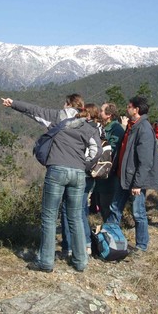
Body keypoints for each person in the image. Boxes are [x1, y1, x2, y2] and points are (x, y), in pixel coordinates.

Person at [2, 95, 102, 272]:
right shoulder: (87, 126)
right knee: (76, 217)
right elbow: (97, 150)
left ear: (67, 104)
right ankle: (80, 261)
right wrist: (83, 164)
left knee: (49, 217)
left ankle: (46, 262)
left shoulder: (56, 117)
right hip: (78, 174)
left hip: (57, 170)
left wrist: (13, 103)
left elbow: (33, 110)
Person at [106, 96, 158, 252]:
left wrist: (138, 183)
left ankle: (141, 246)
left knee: (138, 213)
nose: (126, 108)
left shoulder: (144, 129)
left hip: (134, 180)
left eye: (129, 106)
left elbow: (145, 161)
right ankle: (109, 241)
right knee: (115, 208)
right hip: (124, 176)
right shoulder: (132, 126)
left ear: (136, 110)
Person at [60, 103, 102, 257]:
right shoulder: (98, 129)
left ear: (88, 115)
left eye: (83, 112)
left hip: (81, 172)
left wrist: (83, 165)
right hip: (91, 175)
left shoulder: (82, 128)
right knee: (81, 210)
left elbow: (93, 152)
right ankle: (86, 245)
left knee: (67, 209)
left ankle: (69, 247)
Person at [92, 102, 124, 222]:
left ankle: (111, 232)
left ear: (109, 115)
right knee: (102, 204)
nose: (99, 113)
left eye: (102, 111)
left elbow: (111, 152)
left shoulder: (116, 130)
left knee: (107, 205)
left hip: (109, 174)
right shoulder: (104, 127)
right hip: (102, 175)